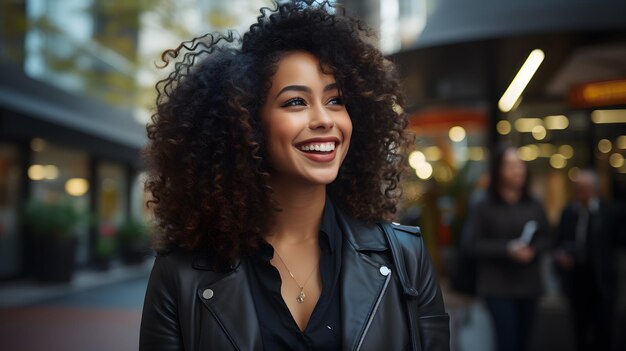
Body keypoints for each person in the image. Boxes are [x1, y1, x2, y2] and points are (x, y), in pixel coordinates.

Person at [139, 1, 450, 350]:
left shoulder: (405, 258)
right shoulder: (180, 275)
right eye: (296, 102)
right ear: (249, 125)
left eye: (335, 101)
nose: (324, 119)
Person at [466, 144, 550, 351]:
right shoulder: (483, 203)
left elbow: (548, 237)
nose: (517, 170)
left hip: (529, 283)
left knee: (525, 342)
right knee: (506, 342)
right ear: (498, 171)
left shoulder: (533, 203)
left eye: (519, 165)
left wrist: (534, 250)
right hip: (497, 285)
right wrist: (507, 249)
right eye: (510, 166)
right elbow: (471, 244)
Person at [554, 169, 624, 351]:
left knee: (604, 330)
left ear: (595, 190)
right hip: (577, 278)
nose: (581, 193)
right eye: (578, 189)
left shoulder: (609, 212)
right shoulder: (569, 212)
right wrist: (561, 256)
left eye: (585, 189)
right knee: (580, 330)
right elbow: (558, 242)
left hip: (602, 279)